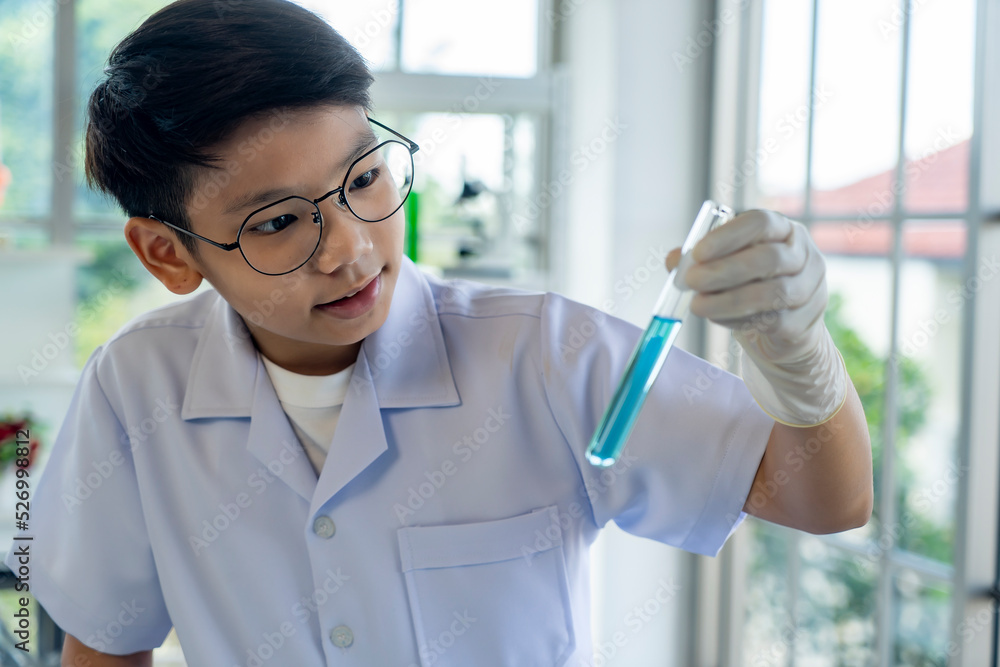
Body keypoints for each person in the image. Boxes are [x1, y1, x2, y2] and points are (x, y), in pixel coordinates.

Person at [4, 0, 873, 664]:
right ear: (167, 254)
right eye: (277, 224)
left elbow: (826, 501)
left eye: (366, 178)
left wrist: (799, 354)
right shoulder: (137, 385)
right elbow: (105, 643)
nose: (350, 248)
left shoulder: (542, 354)